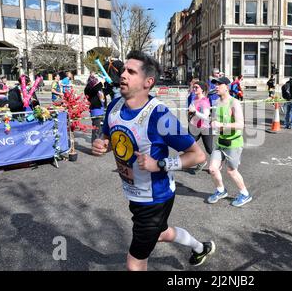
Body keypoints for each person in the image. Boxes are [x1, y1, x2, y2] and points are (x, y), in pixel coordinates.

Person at [92, 50, 215, 271]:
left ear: (148, 82)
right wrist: (103, 144)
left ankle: (200, 247)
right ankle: (200, 247)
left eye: (131, 72)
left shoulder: (159, 116)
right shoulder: (115, 106)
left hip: (155, 198)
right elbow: (111, 137)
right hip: (133, 193)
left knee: (134, 264)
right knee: (162, 233)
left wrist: (159, 164)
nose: (123, 75)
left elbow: (197, 156)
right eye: (123, 70)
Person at [207, 76, 252, 207]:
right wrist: (213, 123)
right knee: (213, 169)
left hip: (233, 142)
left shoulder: (234, 103)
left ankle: (245, 194)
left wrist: (222, 124)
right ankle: (221, 191)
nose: (216, 87)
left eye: (219, 84)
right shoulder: (216, 102)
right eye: (215, 84)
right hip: (220, 141)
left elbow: (240, 124)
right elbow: (215, 120)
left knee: (231, 171)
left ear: (226, 87)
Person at [188, 81, 213, 171]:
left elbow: (205, 117)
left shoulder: (205, 101)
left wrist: (195, 112)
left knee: (209, 149)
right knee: (188, 146)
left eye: (196, 87)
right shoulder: (194, 100)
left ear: (202, 89)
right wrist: (190, 116)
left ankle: (216, 165)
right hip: (194, 127)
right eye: (193, 87)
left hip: (205, 128)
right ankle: (201, 161)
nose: (194, 89)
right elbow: (191, 111)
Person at [84, 72, 105, 144]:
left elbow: (105, 91)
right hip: (95, 111)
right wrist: (101, 82)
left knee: (101, 129)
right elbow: (95, 89)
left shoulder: (98, 89)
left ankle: (100, 145)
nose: (97, 82)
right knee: (96, 130)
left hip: (101, 110)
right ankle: (94, 146)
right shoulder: (89, 89)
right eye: (95, 81)